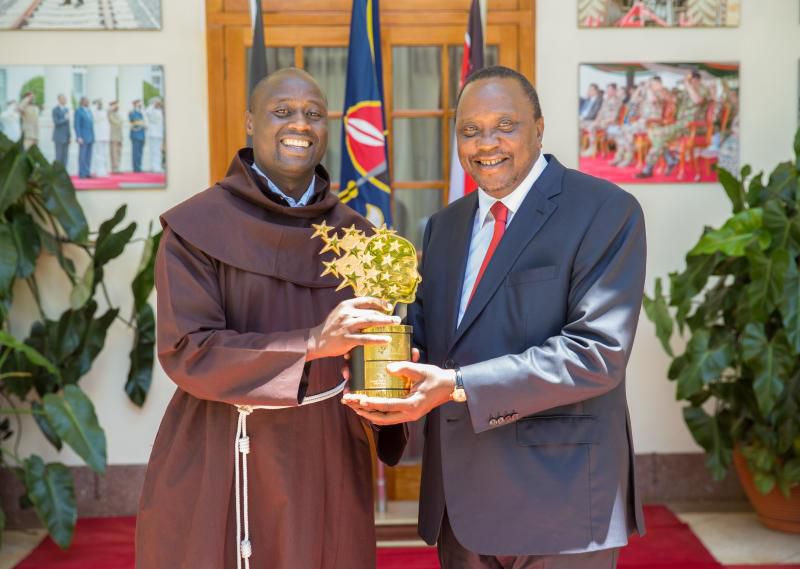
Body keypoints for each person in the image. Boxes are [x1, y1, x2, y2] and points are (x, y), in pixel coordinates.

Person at [344, 65, 647, 568]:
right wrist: (379, 363)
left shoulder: (605, 210)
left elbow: (597, 354)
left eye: (505, 125)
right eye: (470, 129)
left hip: (563, 503)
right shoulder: (443, 226)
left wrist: (459, 384)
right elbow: (430, 342)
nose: (487, 143)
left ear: (539, 128)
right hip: (461, 506)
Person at [136, 68, 407, 569]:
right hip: (224, 442)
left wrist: (391, 379)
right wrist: (311, 342)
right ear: (250, 122)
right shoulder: (197, 226)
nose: (299, 124)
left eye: (313, 114)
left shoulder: (360, 237)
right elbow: (187, 349)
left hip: (327, 446)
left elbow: (374, 349)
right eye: (282, 112)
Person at [636, 71, 708, 178]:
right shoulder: (684, 92)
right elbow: (671, 99)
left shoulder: (702, 90)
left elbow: (697, 100)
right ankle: (668, 160)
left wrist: (688, 86)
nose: (687, 82)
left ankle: (650, 168)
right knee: (655, 134)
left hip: (694, 126)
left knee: (658, 134)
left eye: (690, 80)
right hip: (680, 125)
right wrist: (660, 89)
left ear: (697, 80)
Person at [74, 96, 94, 178]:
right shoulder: (78, 111)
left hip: (90, 136)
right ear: (82, 102)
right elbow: (77, 124)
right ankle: (82, 173)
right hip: (83, 137)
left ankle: (87, 172)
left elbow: (91, 125)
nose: (88, 102)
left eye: (88, 101)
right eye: (86, 101)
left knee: (88, 156)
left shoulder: (89, 111)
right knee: (82, 156)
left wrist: (93, 136)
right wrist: (78, 136)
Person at [145, 96, 164, 173]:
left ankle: (157, 166)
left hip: (159, 134)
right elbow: (148, 112)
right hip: (153, 134)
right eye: (157, 103)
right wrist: (153, 104)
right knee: (153, 151)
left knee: (158, 152)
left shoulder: (160, 111)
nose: (159, 104)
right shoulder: (151, 110)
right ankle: (154, 167)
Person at [92, 98, 110, 178]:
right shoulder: (94, 112)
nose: (100, 104)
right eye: (99, 103)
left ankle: (104, 170)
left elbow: (106, 124)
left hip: (105, 136)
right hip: (98, 136)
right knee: (98, 154)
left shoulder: (104, 112)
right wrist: (94, 104)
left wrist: (107, 136)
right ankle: (99, 171)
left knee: (104, 154)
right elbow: (95, 119)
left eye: (101, 103)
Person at [51, 94, 70, 167]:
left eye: (65, 98)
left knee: (65, 156)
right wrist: (65, 119)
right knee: (58, 155)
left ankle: (64, 170)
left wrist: (69, 136)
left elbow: (68, 125)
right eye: (63, 99)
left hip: (66, 137)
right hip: (58, 136)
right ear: (59, 100)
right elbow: (56, 122)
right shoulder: (55, 110)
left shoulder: (66, 109)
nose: (65, 100)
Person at [129, 99, 146, 172]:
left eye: (140, 103)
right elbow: (134, 122)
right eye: (138, 103)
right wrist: (142, 123)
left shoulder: (141, 113)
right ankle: (136, 168)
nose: (140, 105)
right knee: (136, 153)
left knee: (140, 153)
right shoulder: (132, 113)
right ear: (135, 104)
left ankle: (139, 167)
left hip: (142, 134)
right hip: (136, 135)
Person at [108, 101, 123, 173]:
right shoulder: (110, 113)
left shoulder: (118, 114)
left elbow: (121, 121)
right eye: (115, 105)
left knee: (119, 152)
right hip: (113, 136)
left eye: (117, 105)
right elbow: (115, 121)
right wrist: (120, 122)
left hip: (119, 136)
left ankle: (118, 167)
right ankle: (114, 168)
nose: (117, 106)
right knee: (114, 153)